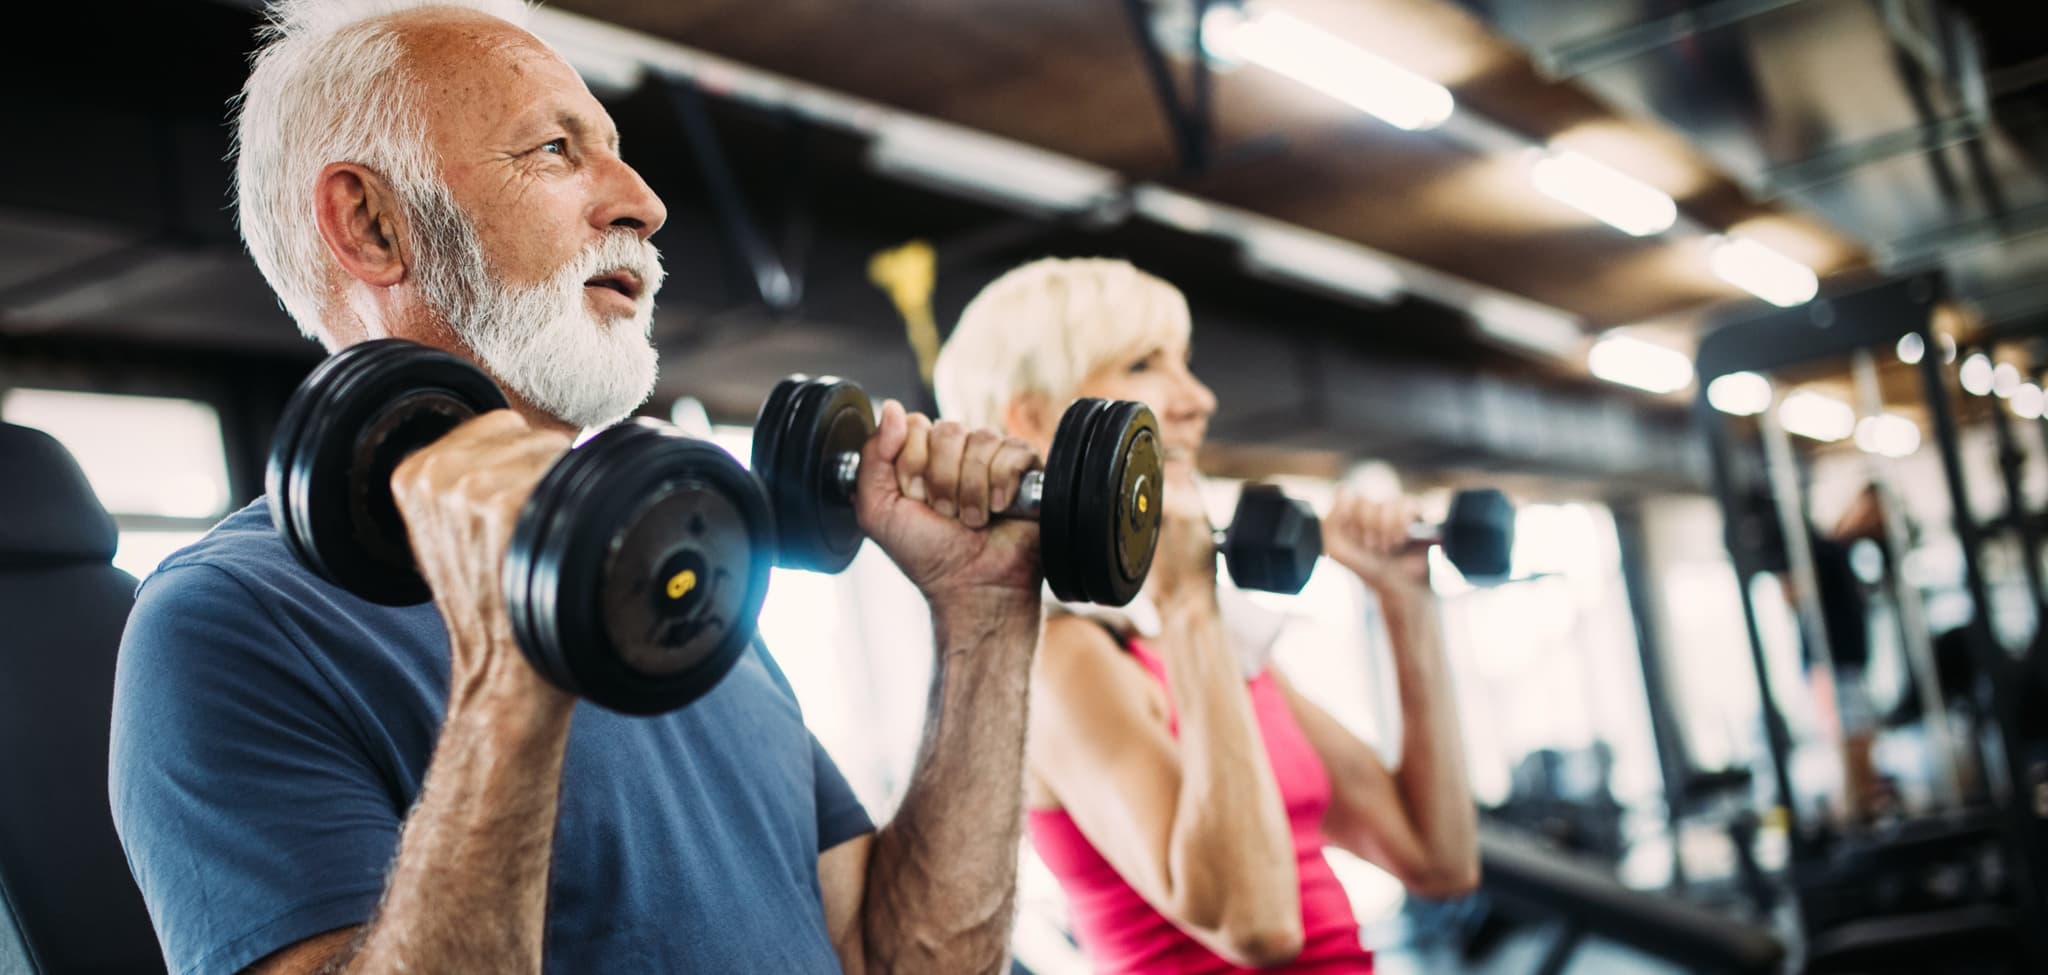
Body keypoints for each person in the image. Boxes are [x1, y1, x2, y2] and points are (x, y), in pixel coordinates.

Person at [108, 2, 1050, 972]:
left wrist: (983, 615)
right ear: (371, 223)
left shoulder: (674, 560)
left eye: (615, 151)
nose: (643, 201)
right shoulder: (227, 620)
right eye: (555, 149)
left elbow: (898, 960)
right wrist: (513, 679)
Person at [933, 258, 1481, 973]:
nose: (1198, 398)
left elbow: (1435, 858)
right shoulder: (1063, 660)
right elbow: (1255, 925)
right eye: (1143, 364)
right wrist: (1188, 600)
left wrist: (1406, 600)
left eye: (1184, 364)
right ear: (1035, 418)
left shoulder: (1210, 652)